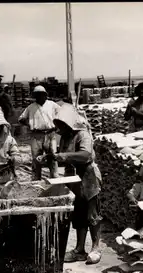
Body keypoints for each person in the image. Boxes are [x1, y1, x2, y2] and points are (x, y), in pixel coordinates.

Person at [47, 103, 102, 264]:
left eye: (61, 125)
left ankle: (96, 247)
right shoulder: (65, 137)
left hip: (88, 175)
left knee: (92, 213)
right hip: (73, 177)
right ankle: (79, 249)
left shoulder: (83, 135)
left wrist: (63, 156)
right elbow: (64, 156)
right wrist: (51, 158)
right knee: (78, 213)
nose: (58, 129)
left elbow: (85, 155)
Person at [18, 85, 60, 180]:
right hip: (37, 135)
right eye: (37, 95)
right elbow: (21, 119)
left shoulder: (52, 105)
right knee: (36, 158)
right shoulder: (31, 107)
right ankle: (36, 178)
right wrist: (30, 125)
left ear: (45, 95)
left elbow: (61, 114)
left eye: (41, 94)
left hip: (50, 134)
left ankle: (55, 177)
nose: (39, 97)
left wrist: (57, 126)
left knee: (53, 156)